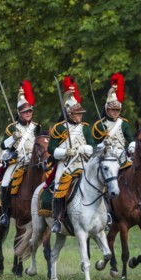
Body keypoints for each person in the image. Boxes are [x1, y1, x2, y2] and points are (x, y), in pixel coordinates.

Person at [48, 76, 96, 233]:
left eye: (81, 113)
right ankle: (57, 219)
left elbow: (93, 146)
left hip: (83, 165)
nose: (80, 115)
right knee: (58, 188)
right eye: (77, 113)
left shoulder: (86, 128)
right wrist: (65, 152)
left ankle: (106, 215)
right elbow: (51, 149)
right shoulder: (59, 128)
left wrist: (85, 149)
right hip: (66, 165)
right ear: (69, 113)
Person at [91, 72, 135, 230]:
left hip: (122, 158)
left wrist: (131, 146)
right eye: (112, 110)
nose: (115, 112)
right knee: (103, 182)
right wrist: (103, 144)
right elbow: (94, 145)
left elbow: (130, 139)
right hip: (107, 159)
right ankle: (107, 212)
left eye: (117, 110)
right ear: (107, 109)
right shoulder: (99, 125)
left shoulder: (124, 124)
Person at [0, 80, 41, 227]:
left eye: (29, 111)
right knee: (4, 182)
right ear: (19, 113)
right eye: (24, 112)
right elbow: (3, 145)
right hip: (18, 162)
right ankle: (5, 213)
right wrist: (13, 137)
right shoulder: (12, 128)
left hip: (34, 161)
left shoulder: (37, 127)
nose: (28, 114)